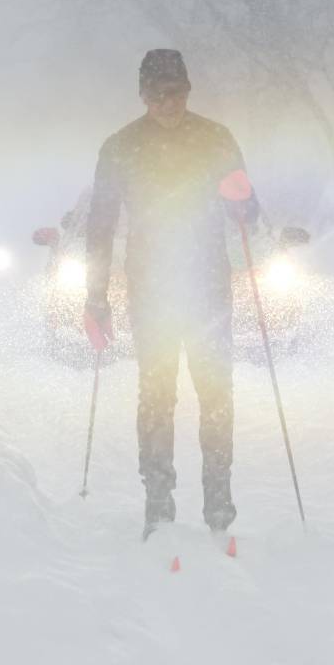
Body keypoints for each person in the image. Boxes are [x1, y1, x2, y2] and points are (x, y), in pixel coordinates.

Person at [82, 49, 258, 539]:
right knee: (157, 397)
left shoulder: (215, 138)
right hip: (152, 287)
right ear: (142, 95)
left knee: (216, 396)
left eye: (177, 93)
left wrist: (244, 203)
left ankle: (219, 506)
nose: (169, 103)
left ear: (187, 91)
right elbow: (100, 226)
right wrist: (96, 296)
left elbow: (245, 210)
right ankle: (158, 505)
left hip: (207, 286)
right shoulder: (119, 147)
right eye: (159, 94)